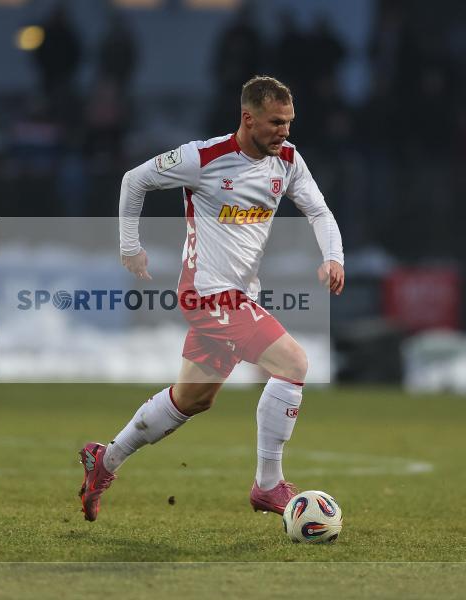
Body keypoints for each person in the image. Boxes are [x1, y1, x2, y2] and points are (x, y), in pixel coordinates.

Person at [79, 76, 345, 522]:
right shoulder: (203, 158)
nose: (285, 132)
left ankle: (103, 460)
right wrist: (130, 247)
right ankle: (267, 486)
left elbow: (318, 211)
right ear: (248, 118)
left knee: (192, 399)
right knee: (294, 364)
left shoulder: (289, 161)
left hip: (240, 295)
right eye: (276, 122)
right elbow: (134, 180)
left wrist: (333, 257)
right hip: (207, 294)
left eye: (289, 123)